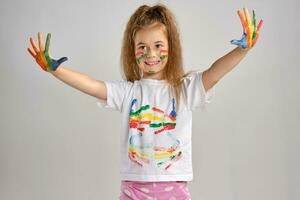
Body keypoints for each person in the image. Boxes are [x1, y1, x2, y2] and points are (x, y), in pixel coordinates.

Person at [27, 4, 263, 200]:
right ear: (133, 51)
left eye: (158, 46)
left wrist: (242, 51)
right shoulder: (128, 93)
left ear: (171, 47)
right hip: (133, 190)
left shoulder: (185, 90)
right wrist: (56, 71)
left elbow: (215, 72)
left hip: (174, 190)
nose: (151, 54)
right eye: (143, 47)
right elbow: (92, 85)